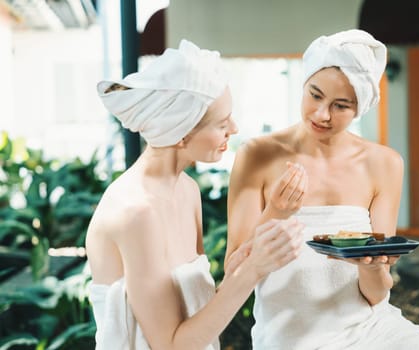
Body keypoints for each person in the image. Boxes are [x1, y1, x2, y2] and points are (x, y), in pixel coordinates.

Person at [225, 29, 419, 350]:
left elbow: (376, 293)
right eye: (315, 95)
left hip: (369, 329)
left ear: (359, 107)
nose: (322, 114)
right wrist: (275, 213)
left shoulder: (384, 164)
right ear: (303, 85)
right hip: (290, 336)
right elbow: (233, 272)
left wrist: (372, 266)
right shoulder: (257, 155)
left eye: (341, 105)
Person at [86, 39, 304, 350]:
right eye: (221, 122)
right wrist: (253, 270)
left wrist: (272, 218)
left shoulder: (186, 190)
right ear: (181, 130)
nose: (235, 128)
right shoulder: (136, 212)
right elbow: (172, 345)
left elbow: (200, 310)